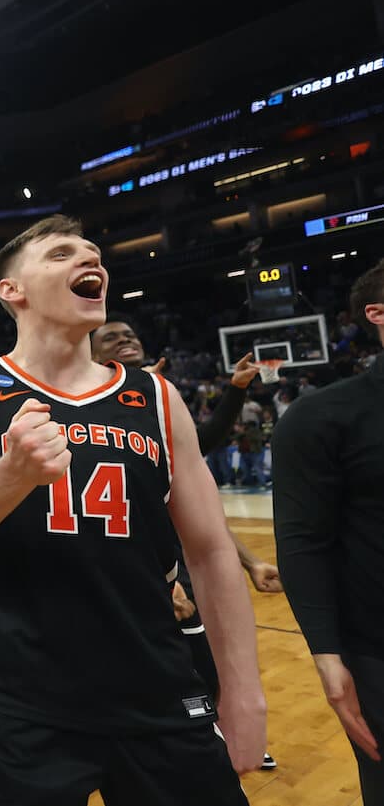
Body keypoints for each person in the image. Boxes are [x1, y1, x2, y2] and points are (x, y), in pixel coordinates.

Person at [0, 215, 266, 805]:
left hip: (159, 689)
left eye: (94, 253)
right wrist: (13, 474)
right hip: (22, 703)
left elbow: (210, 551)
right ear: (12, 290)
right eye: (61, 254)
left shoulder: (155, 396)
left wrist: (242, 691)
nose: (92, 262)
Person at [91, 314, 281, 769]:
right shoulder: (88, 414)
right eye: (111, 337)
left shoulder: (157, 403)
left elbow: (198, 498)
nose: (124, 340)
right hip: (119, 574)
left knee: (202, 667)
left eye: (129, 334)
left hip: (172, 569)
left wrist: (251, 562)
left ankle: (213, 739)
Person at [272, 258, 384, 806]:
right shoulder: (321, 417)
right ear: (378, 314)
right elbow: (302, 544)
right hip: (376, 653)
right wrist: (327, 655)